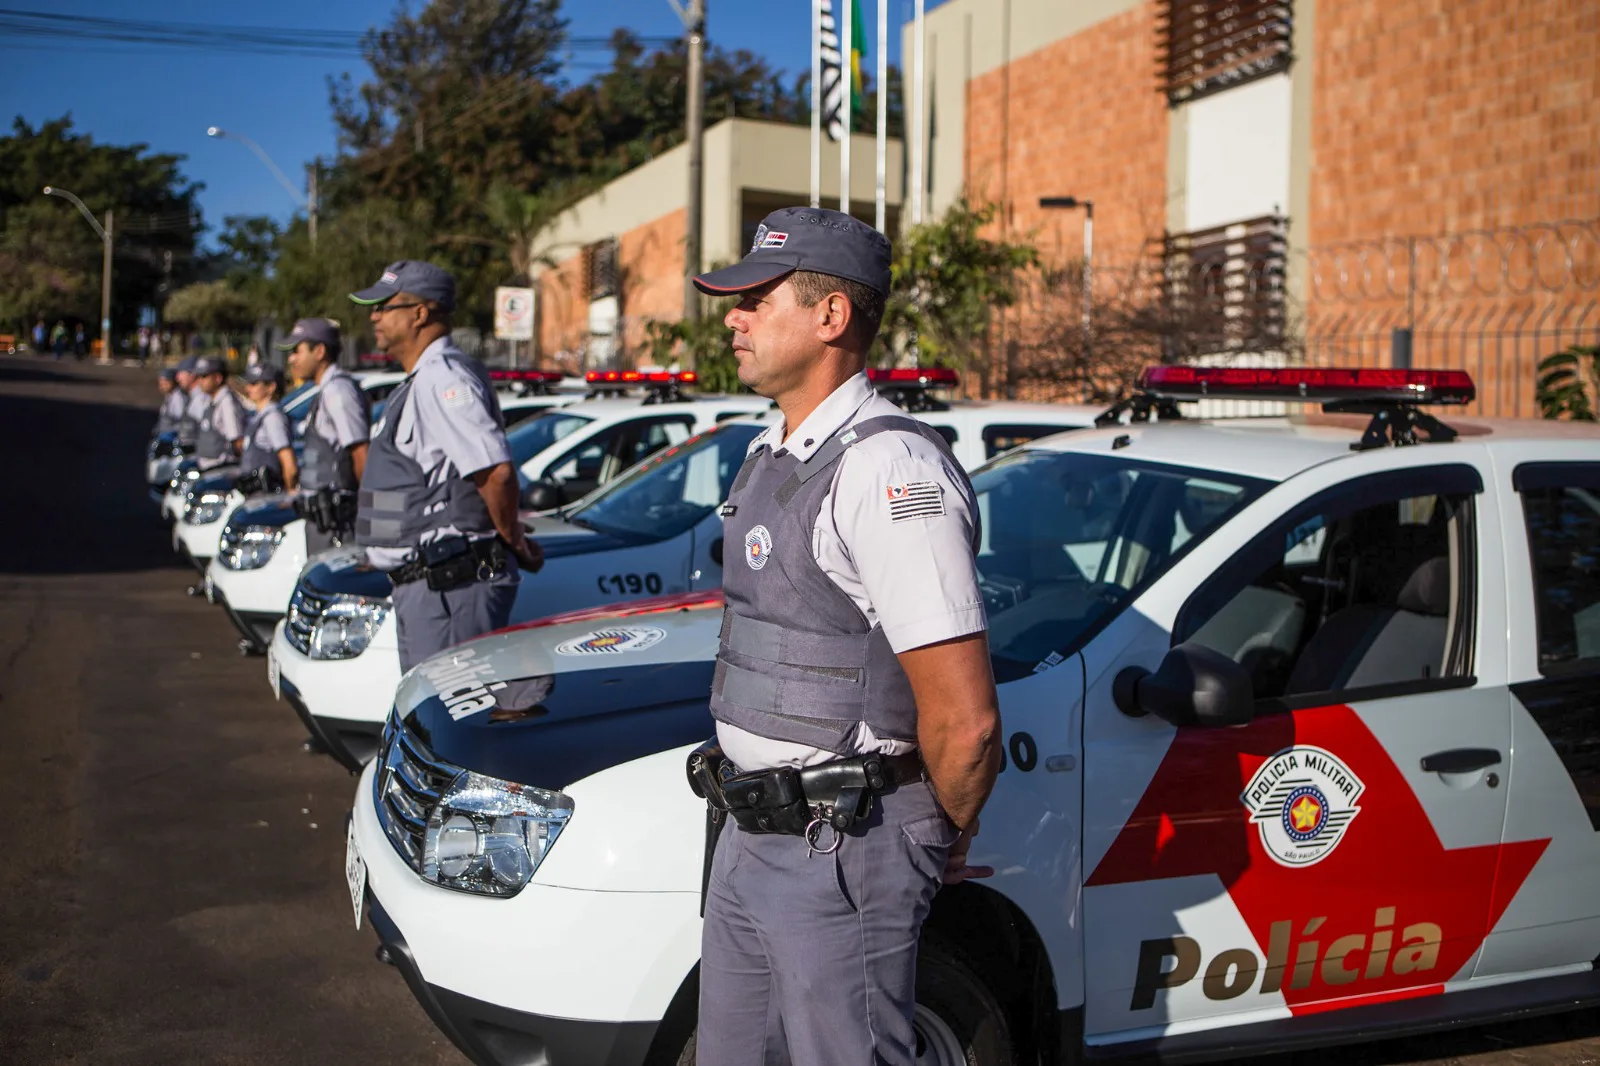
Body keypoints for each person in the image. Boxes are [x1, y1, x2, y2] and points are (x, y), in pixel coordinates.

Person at [683, 208, 1002, 1066]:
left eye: (756, 298)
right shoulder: (776, 450)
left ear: (831, 318)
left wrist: (932, 839)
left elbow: (964, 719)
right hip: (750, 831)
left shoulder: (887, 469)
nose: (733, 317)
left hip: (842, 842)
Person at [347, 260, 543, 672]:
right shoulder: (424, 379)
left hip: (450, 587)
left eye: (385, 306)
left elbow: (495, 472)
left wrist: (514, 541)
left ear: (420, 313)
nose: (374, 315)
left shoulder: (443, 378)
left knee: (448, 716)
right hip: (431, 586)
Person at [280, 317, 370, 552]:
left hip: (338, 525)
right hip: (323, 523)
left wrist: (372, 520)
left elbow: (361, 455)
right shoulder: (325, 392)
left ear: (319, 351)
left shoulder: (338, 391)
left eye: (297, 351)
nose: (291, 359)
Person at [237, 363, 296, 493]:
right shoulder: (260, 416)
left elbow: (288, 460)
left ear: (271, 387)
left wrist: (290, 492)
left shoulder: (273, 417)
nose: (248, 388)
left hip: (268, 493)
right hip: (255, 494)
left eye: (254, 384)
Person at [191, 356, 248, 471]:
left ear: (218, 378)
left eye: (204, 376)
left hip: (221, 468)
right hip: (208, 467)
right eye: (198, 377)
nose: (200, 381)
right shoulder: (211, 400)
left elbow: (237, 441)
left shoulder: (227, 403)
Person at [154, 369, 186, 435]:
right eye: (161, 383)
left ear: (173, 382)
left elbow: (180, 419)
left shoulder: (178, 398)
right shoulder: (169, 396)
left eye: (165, 382)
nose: (162, 386)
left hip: (172, 437)